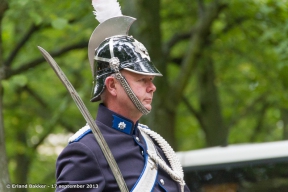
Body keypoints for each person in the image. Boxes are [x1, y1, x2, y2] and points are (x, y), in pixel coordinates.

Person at [55, 1, 190, 192]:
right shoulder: (86, 151)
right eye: (143, 80)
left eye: (151, 80)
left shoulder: (156, 147)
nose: (152, 88)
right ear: (112, 85)